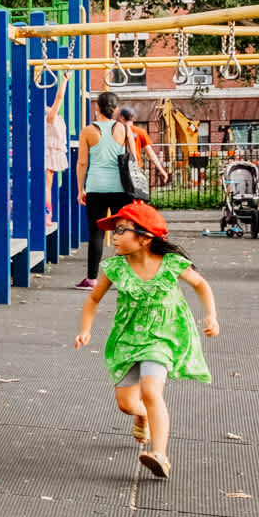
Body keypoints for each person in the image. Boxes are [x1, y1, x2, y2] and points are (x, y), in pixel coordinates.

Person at [74, 201, 219, 479]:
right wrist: (85, 329)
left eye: (121, 230)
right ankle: (142, 415)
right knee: (126, 405)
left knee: (152, 392)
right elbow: (93, 299)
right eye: (113, 231)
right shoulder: (116, 268)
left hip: (163, 336)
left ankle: (160, 455)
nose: (114, 237)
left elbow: (201, 284)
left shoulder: (171, 264)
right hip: (128, 338)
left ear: (145, 237)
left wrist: (211, 316)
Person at [75, 90, 134, 290]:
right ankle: (124, 278)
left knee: (96, 233)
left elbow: (82, 163)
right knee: (122, 232)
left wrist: (81, 189)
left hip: (96, 188)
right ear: (115, 109)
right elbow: (134, 159)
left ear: (97, 107)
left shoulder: (88, 131)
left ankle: (91, 279)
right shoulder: (124, 129)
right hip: (121, 189)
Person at [42, 75, 70, 218]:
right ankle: (47, 213)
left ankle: (47, 213)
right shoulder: (52, 119)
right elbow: (58, 99)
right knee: (47, 184)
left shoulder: (52, 118)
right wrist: (64, 80)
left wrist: (65, 80)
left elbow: (58, 100)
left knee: (47, 185)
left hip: (49, 154)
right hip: (49, 154)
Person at [118, 109, 170, 186]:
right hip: (135, 167)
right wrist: (162, 171)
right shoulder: (140, 132)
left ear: (121, 117)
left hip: (119, 168)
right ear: (133, 118)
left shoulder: (117, 132)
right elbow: (151, 154)